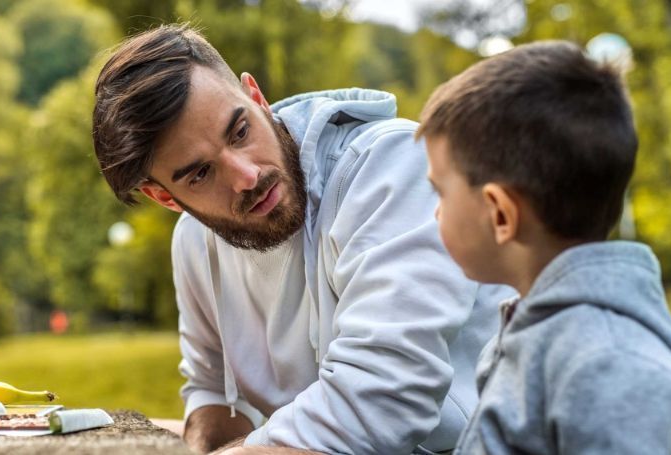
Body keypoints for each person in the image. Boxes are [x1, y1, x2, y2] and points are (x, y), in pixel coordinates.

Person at [92, 24, 513, 455]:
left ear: (256, 98)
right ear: (165, 197)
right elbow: (213, 395)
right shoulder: (194, 244)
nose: (247, 176)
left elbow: (386, 396)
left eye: (240, 132)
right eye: (201, 173)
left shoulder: (389, 168)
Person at [419, 40, 671, 454]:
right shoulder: (539, 331)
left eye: (440, 192)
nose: (436, 214)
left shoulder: (608, 366)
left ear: (501, 213)